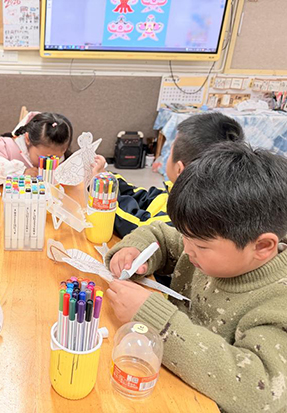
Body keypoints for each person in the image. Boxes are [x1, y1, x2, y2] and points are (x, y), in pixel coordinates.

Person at [106, 142, 287, 413]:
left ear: (261, 246)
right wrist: (134, 250)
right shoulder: (210, 246)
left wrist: (155, 318)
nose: (187, 249)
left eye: (200, 245)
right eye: (185, 236)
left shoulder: (277, 302)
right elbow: (161, 234)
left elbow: (260, 393)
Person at [114, 112, 244, 238]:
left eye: (170, 151)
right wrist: (109, 178)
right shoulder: (190, 191)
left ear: (180, 170)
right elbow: (145, 199)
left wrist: (106, 199)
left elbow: (138, 226)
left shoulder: (185, 218)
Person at [0, 112, 107, 177]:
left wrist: (98, 169)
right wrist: (21, 171)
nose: (49, 163)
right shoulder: (8, 146)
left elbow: (83, 173)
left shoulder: (64, 157)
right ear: (27, 139)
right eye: (44, 158)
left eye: (56, 158)